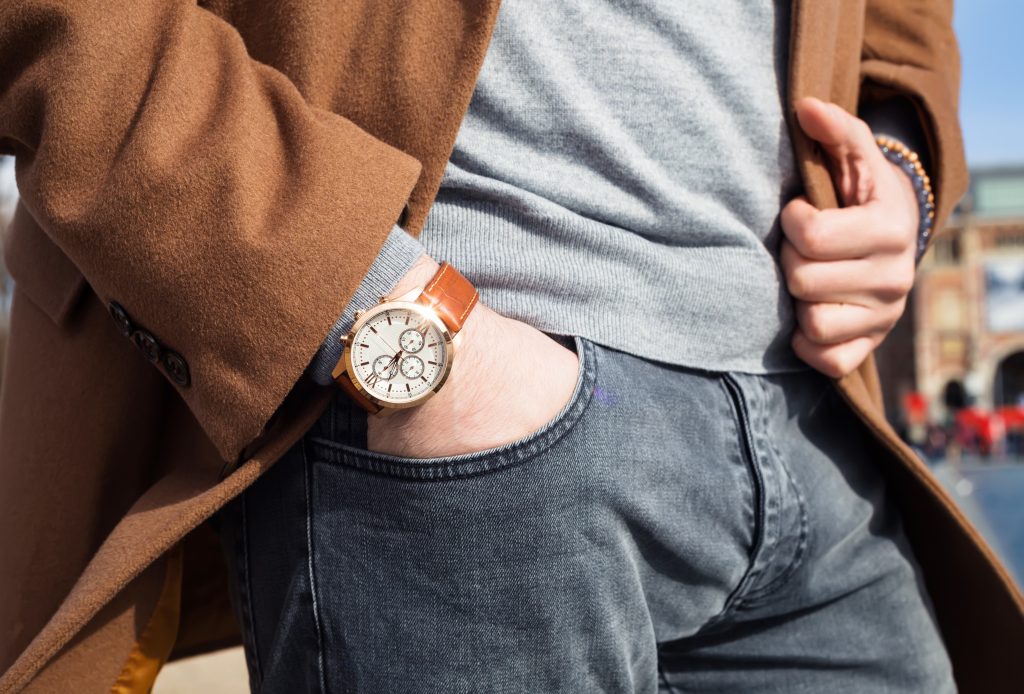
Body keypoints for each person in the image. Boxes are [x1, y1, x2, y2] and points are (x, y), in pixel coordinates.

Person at [0, 1, 1021, 692]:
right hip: (473, 443)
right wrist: (370, 307)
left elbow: (895, 34)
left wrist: (896, 169)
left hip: (815, 441)